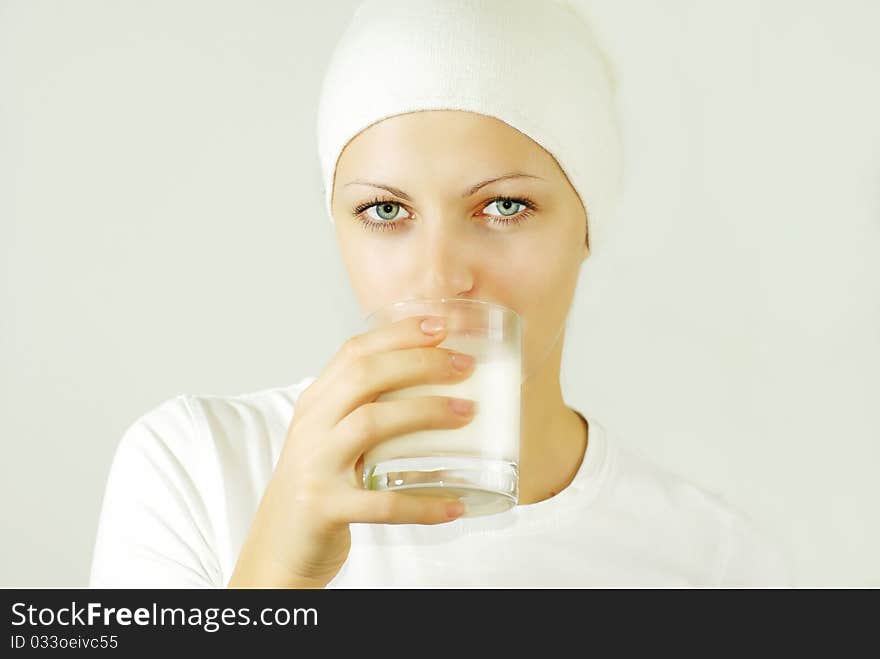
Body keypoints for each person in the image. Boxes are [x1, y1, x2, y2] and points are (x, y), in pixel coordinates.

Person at [88, 0, 791, 588]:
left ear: (588, 222)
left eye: (505, 206)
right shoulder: (198, 469)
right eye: (387, 212)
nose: (440, 278)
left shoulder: (719, 563)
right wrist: (276, 571)